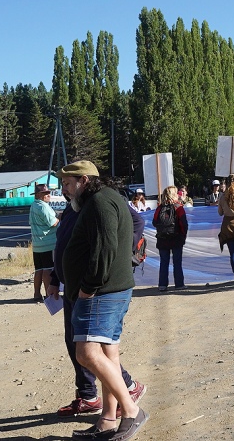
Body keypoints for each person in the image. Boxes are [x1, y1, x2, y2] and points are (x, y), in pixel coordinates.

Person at [58, 160, 147, 438]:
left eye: (68, 183)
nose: (64, 189)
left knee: (86, 353)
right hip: (108, 291)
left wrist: (88, 287)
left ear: (84, 180)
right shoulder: (103, 199)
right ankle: (108, 420)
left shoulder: (98, 202)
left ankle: (131, 409)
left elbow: (105, 248)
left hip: (100, 293)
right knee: (108, 353)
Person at [152, 186, 188, 292]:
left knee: (164, 262)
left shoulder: (159, 208)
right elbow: (184, 224)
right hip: (176, 237)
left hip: (162, 238)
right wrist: (183, 235)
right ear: (174, 194)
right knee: (177, 262)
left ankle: (162, 285)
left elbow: (154, 222)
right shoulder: (178, 207)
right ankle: (179, 284)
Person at [29, 184, 60, 303]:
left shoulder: (33, 205)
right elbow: (52, 223)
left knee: (39, 269)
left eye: (48, 193)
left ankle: (37, 293)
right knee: (48, 269)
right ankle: (49, 295)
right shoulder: (43, 207)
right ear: (38, 195)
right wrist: (60, 218)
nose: (48, 195)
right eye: (45, 193)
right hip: (48, 242)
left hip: (37, 243)